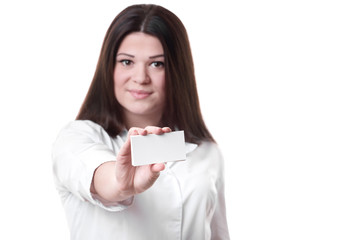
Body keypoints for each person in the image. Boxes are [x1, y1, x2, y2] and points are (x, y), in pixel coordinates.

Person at [52, 4, 230, 240]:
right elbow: (100, 177)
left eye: (157, 64)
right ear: (109, 68)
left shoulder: (207, 152)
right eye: (127, 62)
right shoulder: (76, 137)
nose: (140, 78)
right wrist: (120, 183)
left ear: (178, 72)